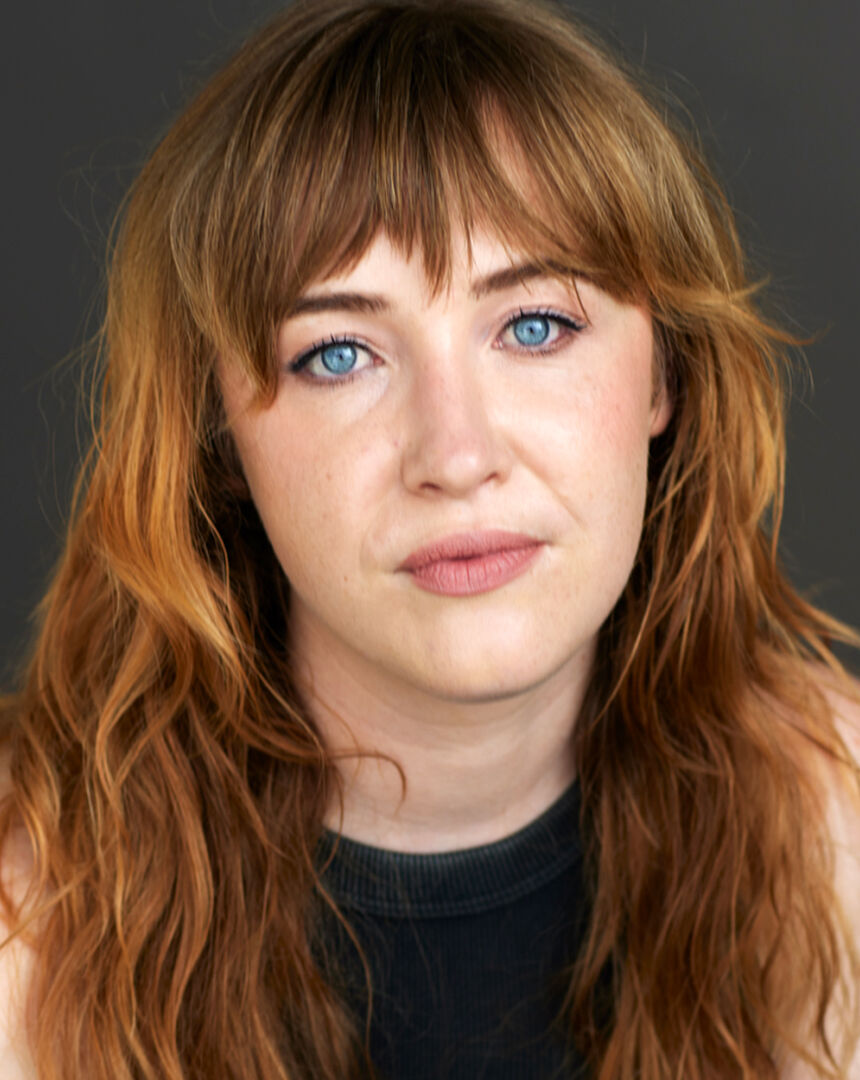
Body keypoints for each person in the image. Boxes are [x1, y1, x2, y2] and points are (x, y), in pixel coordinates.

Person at [1, 0, 858, 1076]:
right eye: (338, 354)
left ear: (665, 376)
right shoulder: (24, 924)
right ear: (215, 435)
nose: (455, 455)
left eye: (534, 326)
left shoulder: (838, 828)